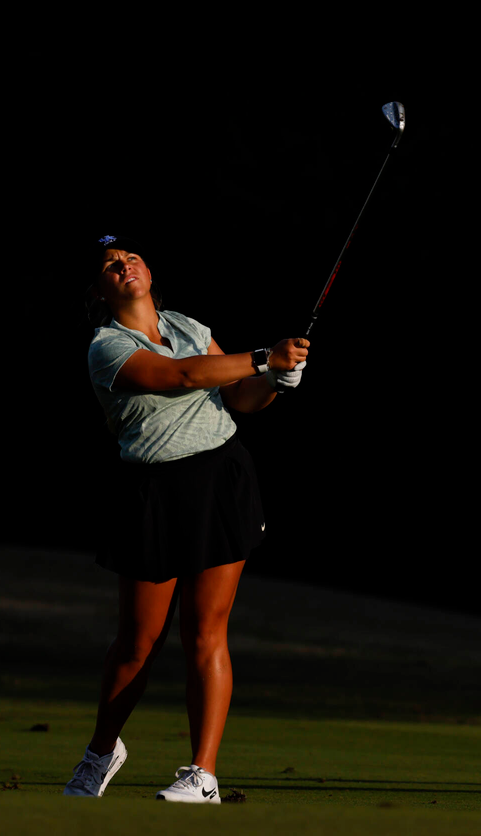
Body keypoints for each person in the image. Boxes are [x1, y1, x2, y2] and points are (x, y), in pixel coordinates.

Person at [63, 234, 309, 804]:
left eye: (131, 255)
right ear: (99, 290)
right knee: (136, 643)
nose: (124, 264)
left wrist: (274, 380)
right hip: (152, 492)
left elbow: (240, 399)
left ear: (148, 269)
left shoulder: (190, 328)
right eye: (109, 265)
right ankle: (103, 750)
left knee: (206, 632)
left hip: (220, 480)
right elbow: (179, 378)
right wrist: (260, 359)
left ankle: (203, 775)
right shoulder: (105, 347)